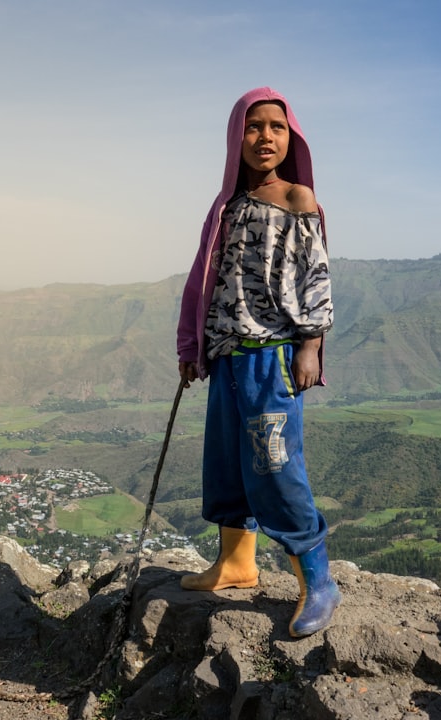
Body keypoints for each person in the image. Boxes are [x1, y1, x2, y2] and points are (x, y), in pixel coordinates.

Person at [176, 87, 340, 638]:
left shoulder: (299, 200)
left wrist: (311, 347)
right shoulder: (225, 207)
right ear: (235, 138)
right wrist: (191, 347)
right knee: (226, 463)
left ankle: (318, 581)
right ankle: (236, 564)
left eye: (276, 126)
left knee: (275, 466)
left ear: (291, 136)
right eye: (253, 127)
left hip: (271, 359)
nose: (264, 137)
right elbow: (202, 282)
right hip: (225, 357)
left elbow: (314, 280)